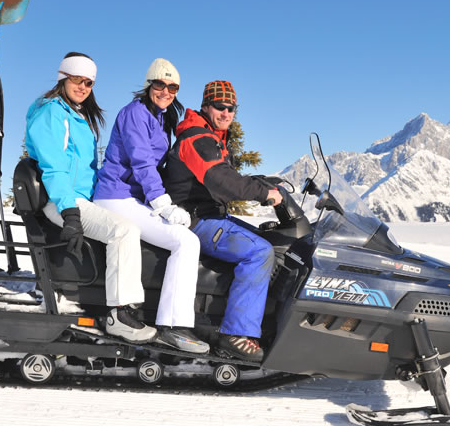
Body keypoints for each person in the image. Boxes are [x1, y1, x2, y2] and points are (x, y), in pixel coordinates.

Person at [25, 52, 156, 344]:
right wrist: (70, 211)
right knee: (123, 231)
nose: (83, 87)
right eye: (77, 79)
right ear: (63, 78)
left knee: (132, 223)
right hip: (61, 200)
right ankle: (120, 315)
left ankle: (130, 303)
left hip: (80, 198)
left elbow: (86, 169)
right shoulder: (52, 113)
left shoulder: (78, 116)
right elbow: (54, 167)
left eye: (89, 82)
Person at [93, 58, 209, 354]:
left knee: (184, 238)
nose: (166, 91)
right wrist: (163, 205)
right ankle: (173, 326)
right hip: (115, 197)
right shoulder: (135, 113)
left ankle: (172, 321)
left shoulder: (159, 117)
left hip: (132, 198)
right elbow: (143, 163)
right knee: (185, 241)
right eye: (160, 84)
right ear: (148, 84)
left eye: (173, 87)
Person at [165, 80, 282, 362]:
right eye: (220, 106)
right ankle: (235, 335)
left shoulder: (211, 136)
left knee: (271, 241)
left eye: (231, 108)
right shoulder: (198, 138)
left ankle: (261, 319)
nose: (226, 113)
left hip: (207, 214)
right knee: (259, 252)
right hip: (193, 219)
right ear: (206, 106)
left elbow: (223, 177)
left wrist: (263, 183)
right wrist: (263, 193)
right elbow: (220, 179)